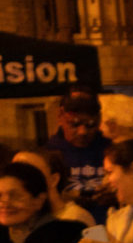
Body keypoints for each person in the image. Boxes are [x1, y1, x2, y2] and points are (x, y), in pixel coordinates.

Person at [47, 92, 113, 220]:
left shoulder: (113, 150)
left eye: (90, 125)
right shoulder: (48, 155)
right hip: (67, 226)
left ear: (99, 119)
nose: (82, 132)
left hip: (107, 227)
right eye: (74, 124)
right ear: (60, 116)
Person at [14, 149, 96, 227]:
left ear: (53, 180)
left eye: (28, 172)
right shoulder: (21, 218)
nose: (14, 179)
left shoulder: (75, 218)